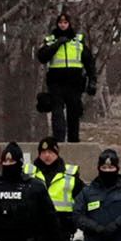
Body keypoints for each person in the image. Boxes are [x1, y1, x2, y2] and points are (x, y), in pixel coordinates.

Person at [35, 13, 93, 144]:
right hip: (56, 83)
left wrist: (92, 81)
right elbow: (42, 57)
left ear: (70, 24)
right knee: (57, 115)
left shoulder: (78, 40)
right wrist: (57, 44)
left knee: (74, 115)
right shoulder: (50, 40)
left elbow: (89, 62)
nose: (63, 25)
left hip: (74, 84)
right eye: (60, 23)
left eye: (65, 22)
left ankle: (73, 143)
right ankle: (59, 143)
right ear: (57, 24)